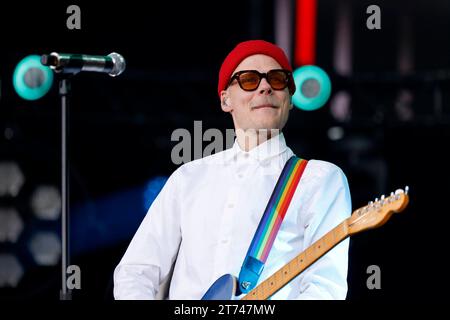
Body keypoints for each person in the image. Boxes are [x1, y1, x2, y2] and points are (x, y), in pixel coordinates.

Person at [113, 40, 352, 300]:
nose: (265, 87)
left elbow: (325, 288)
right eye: (249, 80)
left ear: (290, 98)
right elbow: (136, 271)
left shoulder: (319, 179)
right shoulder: (188, 177)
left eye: (277, 79)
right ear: (226, 100)